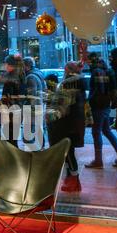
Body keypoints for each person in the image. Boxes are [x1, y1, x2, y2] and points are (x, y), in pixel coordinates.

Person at [47, 62, 86, 192]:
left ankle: (74, 180)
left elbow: (63, 107)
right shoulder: (80, 81)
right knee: (70, 151)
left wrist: (52, 116)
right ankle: (72, 179)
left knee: (68, 152)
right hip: (75, 122)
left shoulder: (68, 83)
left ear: (67, 70)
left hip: (66, 124)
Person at [86, 59, 117, 169]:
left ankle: (98, 160)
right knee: (106, 130)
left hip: (98, 106)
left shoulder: (97, 72)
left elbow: (99, 89)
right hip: (106, 105)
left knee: (96, 132)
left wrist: (91, 99)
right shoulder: (109, 71)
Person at [1, 54, 26, 148]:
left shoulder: (11, 78)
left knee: (10, 137)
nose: (5, 66)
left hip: (11, 111)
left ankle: (12, 158)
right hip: (18, 110)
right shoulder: (21, 75)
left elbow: (8, 97)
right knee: (13, 137)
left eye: (6, 64)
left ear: (11, 65)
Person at [23, 57, 46, 147]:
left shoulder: (30, 77)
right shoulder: (39, 74)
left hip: (32, 108)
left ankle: (31, 153)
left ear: (26, 66)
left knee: (31, 130)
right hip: (40, 105)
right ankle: (41, 148)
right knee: (39, 128)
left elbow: (31, 95)